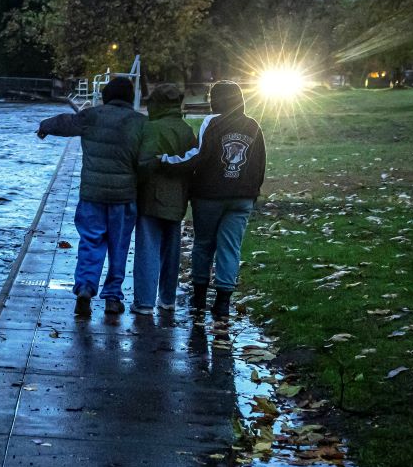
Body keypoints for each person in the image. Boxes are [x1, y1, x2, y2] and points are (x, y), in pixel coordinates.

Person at [37, 76, 145, 316]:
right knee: (119, 247)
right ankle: (113, 297)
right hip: (124, 196)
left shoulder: (92, 116)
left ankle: (85, 288)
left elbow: (65, 122)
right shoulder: (139, 122)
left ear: (106, 96)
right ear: (130, 98)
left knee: (90, 241)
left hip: (92, 194)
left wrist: (44, 126)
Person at [159, 80, 267, 321]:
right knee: (230, 247)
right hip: (242, 197)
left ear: (217, 100)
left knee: (203, 244)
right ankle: (222, 302)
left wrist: (166, 161)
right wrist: (253, 191)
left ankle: (198, 298)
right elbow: (260, 163)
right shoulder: (253, 125)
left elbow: (199, 155)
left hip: (209, 195)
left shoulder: (212, 122)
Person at [132, 83, 197, 315]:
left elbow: (144, 164)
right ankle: (168, 299)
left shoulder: (152, 128)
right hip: (178, 198)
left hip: (151, 197)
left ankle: (144, 302)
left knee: (147, 249)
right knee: (171, 251)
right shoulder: (186, 129)